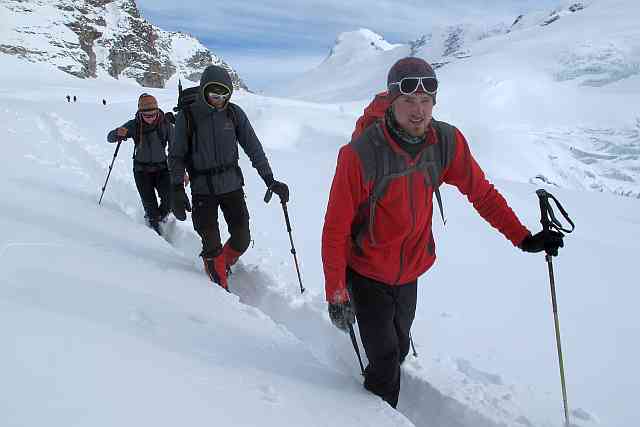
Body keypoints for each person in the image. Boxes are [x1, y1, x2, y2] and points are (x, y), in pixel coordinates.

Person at [321, 57, 564, 409]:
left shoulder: (444, 142)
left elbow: (481, 193)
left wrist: (523, 238)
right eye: (408, 101)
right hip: (367, 270)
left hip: (411, 270)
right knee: (386, 362)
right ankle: (376, 412)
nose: (418, 111)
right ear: (391, 101)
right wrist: (336, 292)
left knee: (400, 348)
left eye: (426, 101)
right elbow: (335, 228)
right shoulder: (359, 155)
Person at [169, 65, 288, 290]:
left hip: (232, 186)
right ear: (204, 92)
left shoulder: (234, 114)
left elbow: (254, 149)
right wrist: (176, 188)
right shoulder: (188, 116)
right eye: (214, 95)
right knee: (211, 247)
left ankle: (223, 264)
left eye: (224, 95)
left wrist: (270, 180)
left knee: (242, 239)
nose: (219, 100)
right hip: (202, 190)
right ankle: (223, 298)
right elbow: (176, 156)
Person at [106, 93, 177, 235]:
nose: (150, 118)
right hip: (141, 170)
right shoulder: (133, 125)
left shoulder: (166, 125)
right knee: (149, 203)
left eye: (153, 114)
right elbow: (110, 138)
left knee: (169, 199)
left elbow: (175, 148)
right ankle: (154, 228)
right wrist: (117, 133)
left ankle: (161, 217)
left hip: (162, 169)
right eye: (146, 115)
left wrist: (180, 170)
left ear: (157, 110)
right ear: (140, 112)